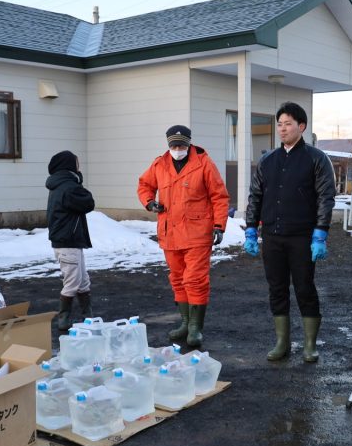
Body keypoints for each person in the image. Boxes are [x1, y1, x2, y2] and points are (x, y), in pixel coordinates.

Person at [244, 102, 336, 362]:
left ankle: (309, 344)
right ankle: (282, 342)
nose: (282, 129)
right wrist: (251, 229)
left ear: (301, 126)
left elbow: (325, 197)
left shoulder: (316, 159)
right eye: (280, 125)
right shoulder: (268, 160)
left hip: (302, 237)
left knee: (305, 288)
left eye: (288, 124)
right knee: (277, 288)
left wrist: (320, 233)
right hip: (272, 236)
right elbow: (256, 197)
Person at [138, 125, 229, 348]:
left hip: (198, 232)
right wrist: (150, 202)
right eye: (174, 145)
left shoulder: (204, 163)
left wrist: (219, 225)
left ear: (189, 144)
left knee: (195, 280)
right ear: (168, 145)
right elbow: (144, 185)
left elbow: (219, 196)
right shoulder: (159, 164)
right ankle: (186, 323)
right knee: (177, 279)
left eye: (181, 145)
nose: (177, 149)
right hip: (170, 233)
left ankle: (196, 328)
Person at [46, 150, 95, 331]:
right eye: (76, 163)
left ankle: (87, 316)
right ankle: (63, 319)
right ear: (69, 166)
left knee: (82, 280)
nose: (79, 166)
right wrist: (78, 180)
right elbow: (88, 202)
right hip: (68, 241)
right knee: (73, 282)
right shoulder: (68, 187)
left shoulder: (60, 185)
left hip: (69, 241)